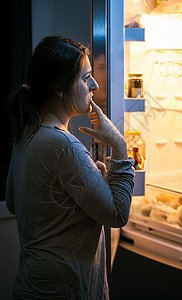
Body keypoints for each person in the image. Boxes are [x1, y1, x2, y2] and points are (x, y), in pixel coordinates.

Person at [5, 36, 134, 299]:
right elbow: (117, 214)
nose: (95, 84)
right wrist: (119, 144)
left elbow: (13, 202)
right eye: (86, 77)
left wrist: (83, 183)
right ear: (59, 88)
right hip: (65, 290)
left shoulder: (28, 134)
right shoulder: (63, 145)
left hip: (32, 285)